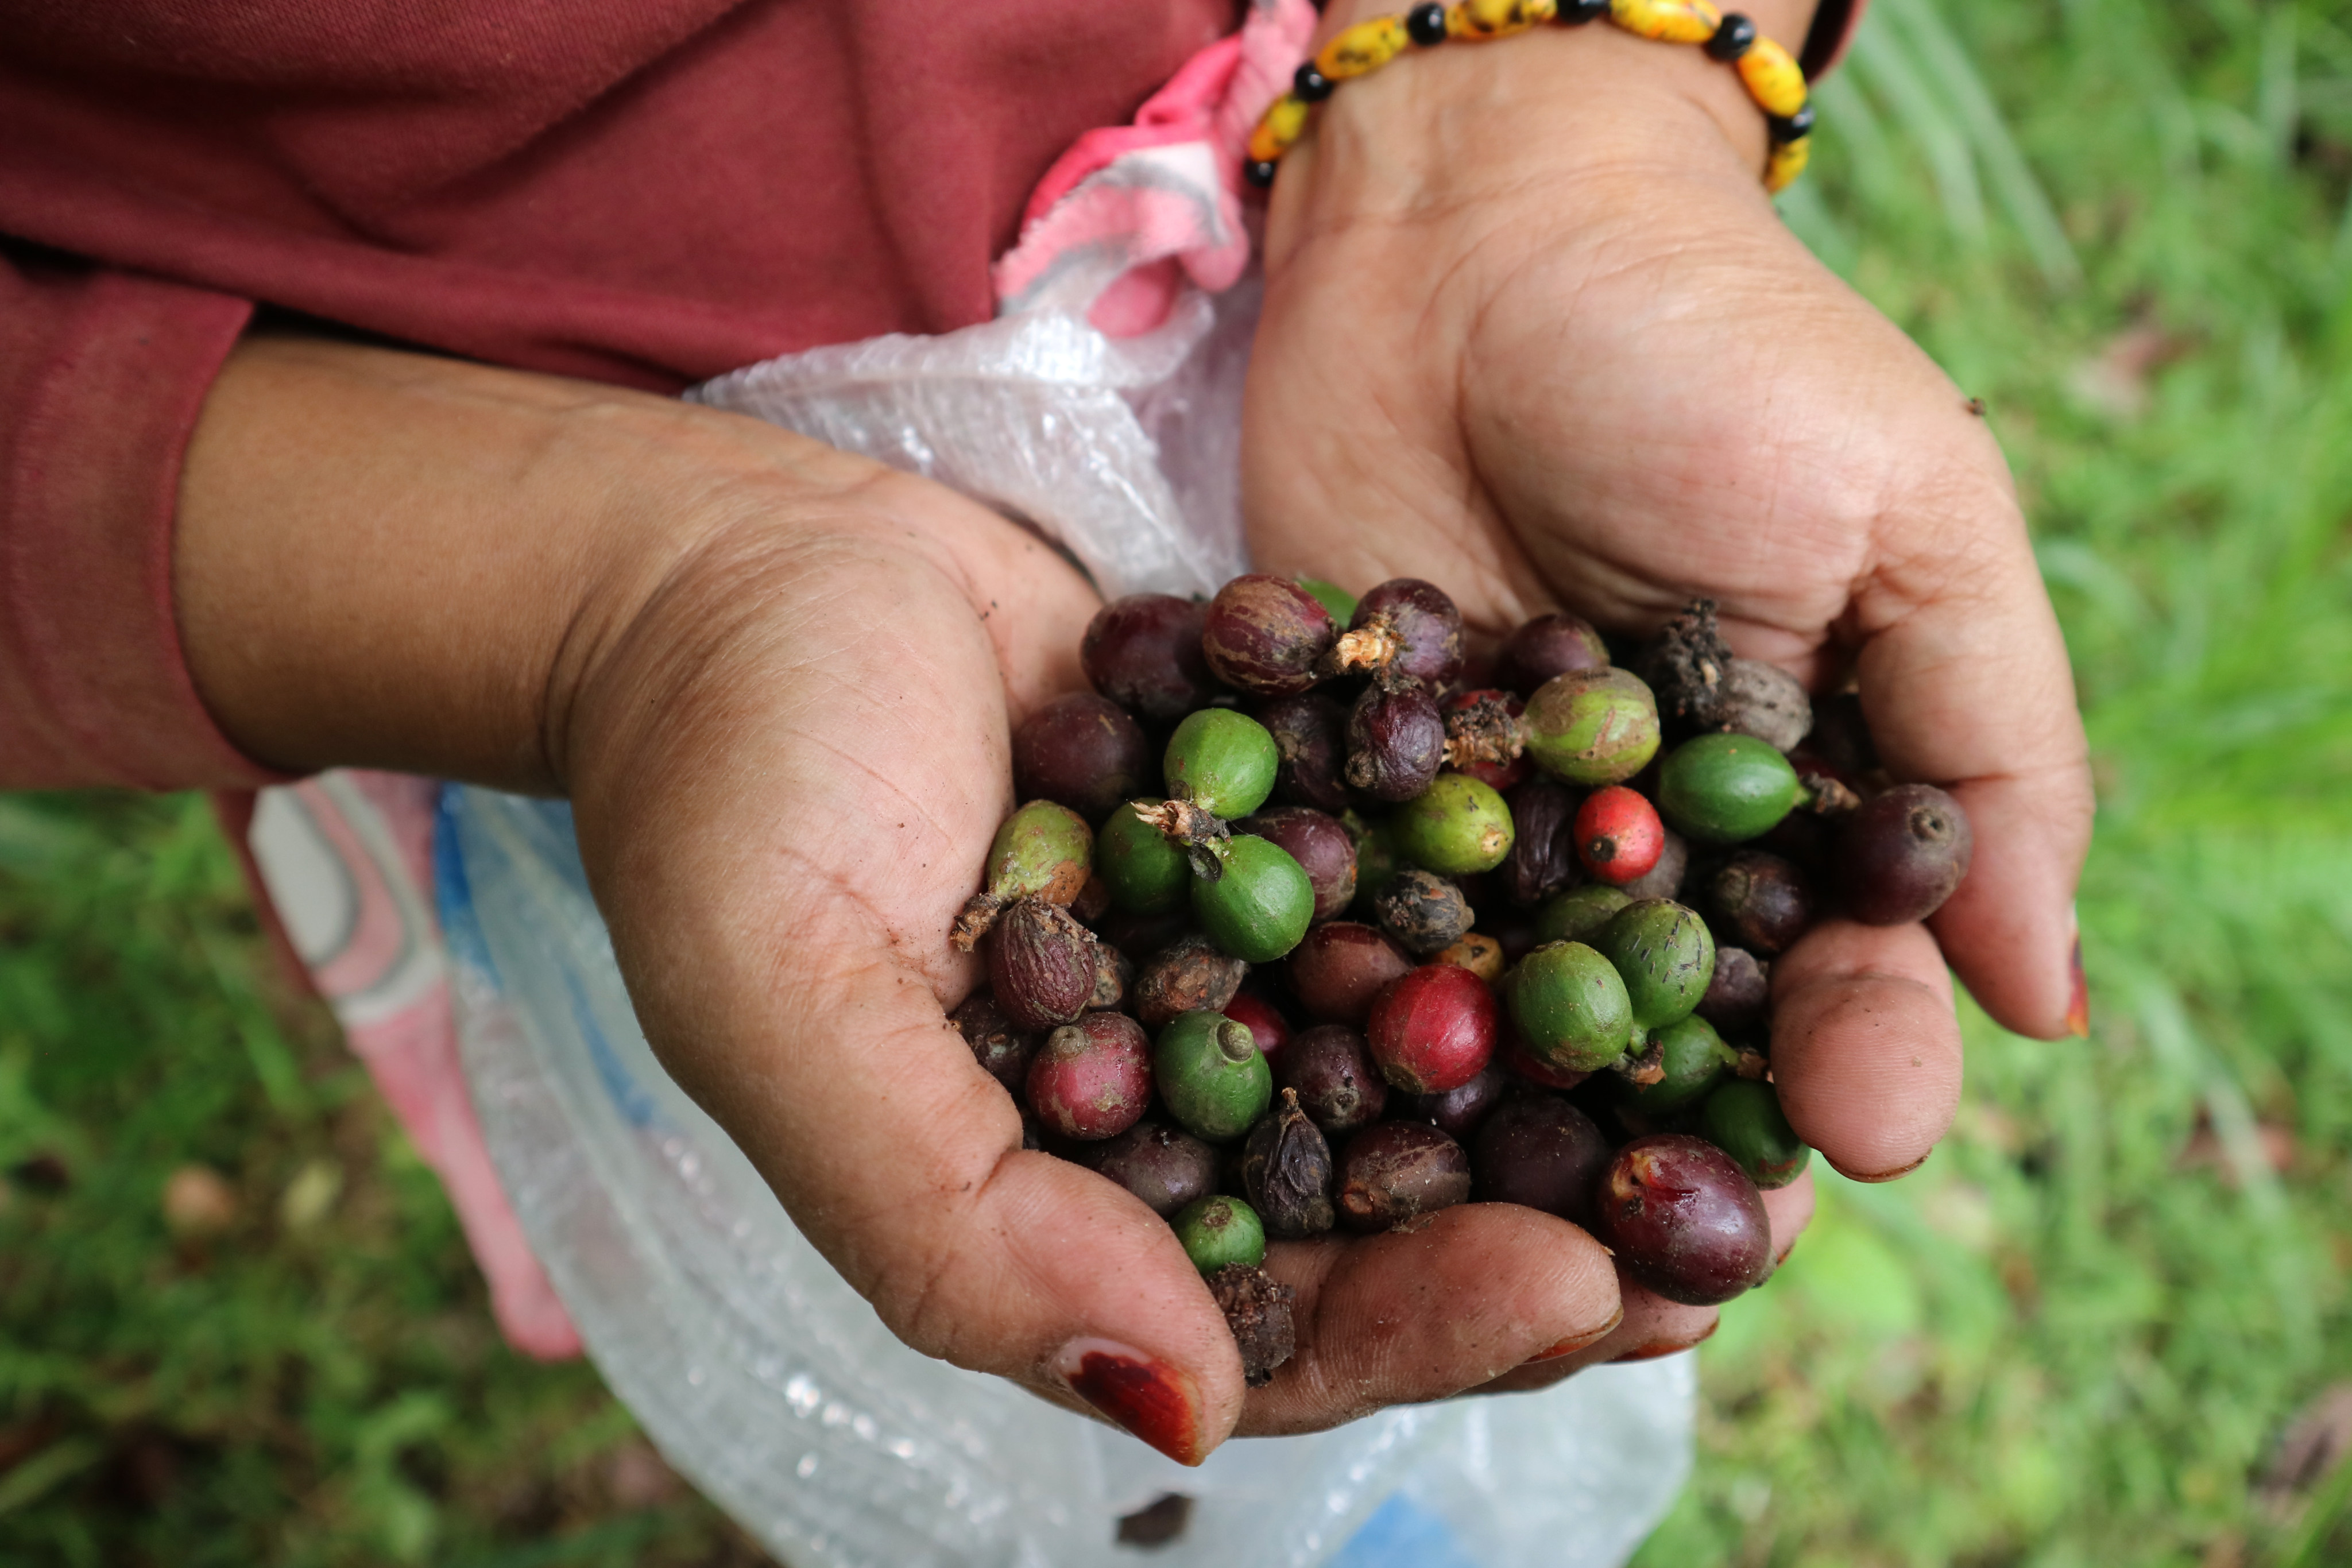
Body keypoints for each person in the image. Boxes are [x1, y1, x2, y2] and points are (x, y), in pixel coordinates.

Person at [0, 0, 2089, 1472]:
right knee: (819, 1122)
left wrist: (1546, 114)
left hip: (1312, 214)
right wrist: (603, 611)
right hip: (420, 546)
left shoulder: (1468, 860)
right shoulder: (1259, 879)